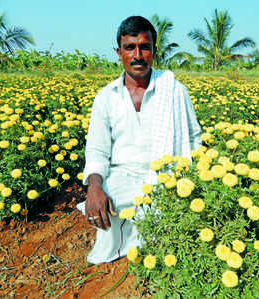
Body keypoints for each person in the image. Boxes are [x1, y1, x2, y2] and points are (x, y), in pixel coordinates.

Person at [77, 16, 201, 264]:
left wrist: (194, 181)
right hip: (123, 179)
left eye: (144, 47)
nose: (137, 55)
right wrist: (94, 188)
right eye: (129, 48)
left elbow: (193, 139)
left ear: (154, 51)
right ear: (119, 52)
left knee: (176, 210)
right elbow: (97, 150)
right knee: (107, 204)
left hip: (168, 178)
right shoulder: (106, 97)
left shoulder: (174, 90)